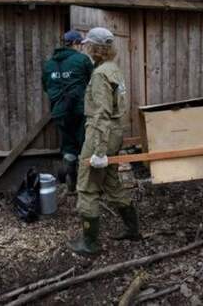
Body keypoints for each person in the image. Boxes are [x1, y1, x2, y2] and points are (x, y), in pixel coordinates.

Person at [67, 27, 141, 256]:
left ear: (97, 47)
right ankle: (133, 229)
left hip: (101, 134)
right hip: (115, 132)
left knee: (87, 188)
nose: (86, 47)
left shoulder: (100, 74)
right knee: (111, 182)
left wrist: (98, 150)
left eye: (89, 44)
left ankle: (90, 244)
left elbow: (101, 112)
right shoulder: (114, 70)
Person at [42, 30, 94, 192]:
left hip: (60, 112)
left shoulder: (49, 64)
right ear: (76, 44)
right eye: (81, 44)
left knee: (69, 145)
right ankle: (85, 185)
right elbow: (93, 82)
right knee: (85, 144)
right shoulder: (82, 60)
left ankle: (70, 177)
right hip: (80, 110)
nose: (82, 48)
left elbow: (46, 87)